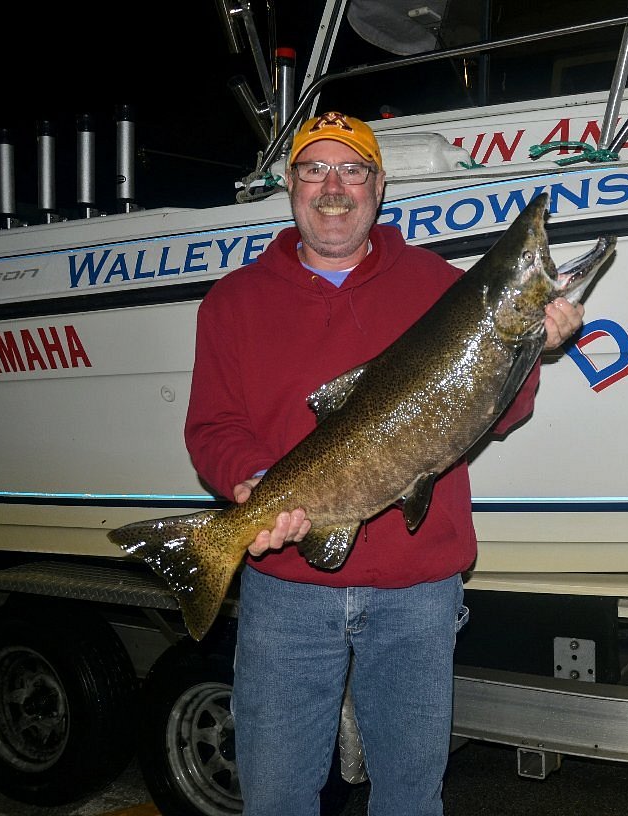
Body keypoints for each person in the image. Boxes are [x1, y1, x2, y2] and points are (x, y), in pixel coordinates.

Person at [183, 111, 585, 816]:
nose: (333, 188)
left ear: (379, 186)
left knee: (410, 798)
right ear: (290, 184)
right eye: (315, 169)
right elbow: (213, 426)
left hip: (417, 590)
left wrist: (531, 351)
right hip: (285, 591)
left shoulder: (440, 284)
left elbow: (498, 411)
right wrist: (248, 481)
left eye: (352, 171)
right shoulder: (232, 301)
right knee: (274, 798)